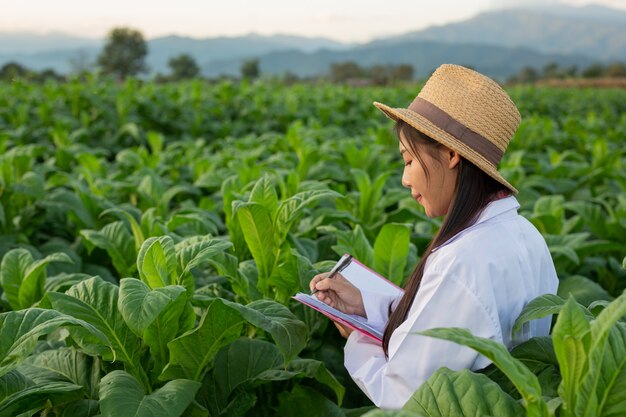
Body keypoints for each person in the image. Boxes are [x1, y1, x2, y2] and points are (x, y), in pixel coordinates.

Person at [309, 64, 559, 409]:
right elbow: (456, 324)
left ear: (451, 154)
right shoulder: (527, 236)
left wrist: (357, 337)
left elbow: (407, 395)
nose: (404, 179)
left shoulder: (460, 261)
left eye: (409, 159)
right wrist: (367, 306)